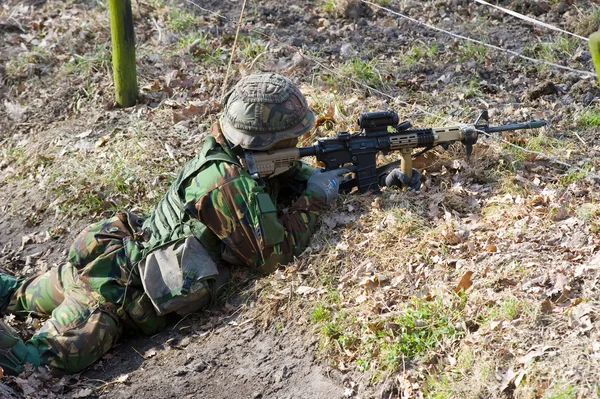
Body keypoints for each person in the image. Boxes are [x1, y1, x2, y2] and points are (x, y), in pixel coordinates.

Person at [0, 73, 421, 376]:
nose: (299, 145)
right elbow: (273, 255)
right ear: (261, 143)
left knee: (18, 293)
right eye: (290, 139)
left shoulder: (235, 156)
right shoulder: (226, 184)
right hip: (109, 297)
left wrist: (361, 177)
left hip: (110, 257)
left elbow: (288, 177)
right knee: (35, 363)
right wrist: (316, 198)